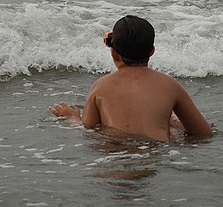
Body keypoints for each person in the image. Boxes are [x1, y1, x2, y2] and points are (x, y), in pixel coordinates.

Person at [49, 15, 213, 142]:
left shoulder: (100, 86)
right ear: (152, 51)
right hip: (158, 149)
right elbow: (203, 134)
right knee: (174, 126)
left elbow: (88, 131)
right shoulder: (170, 85)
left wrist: (72, 119)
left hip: (116, 149)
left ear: (113, 52)